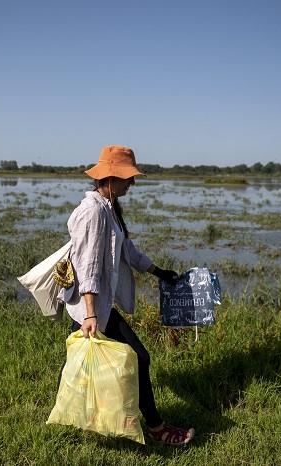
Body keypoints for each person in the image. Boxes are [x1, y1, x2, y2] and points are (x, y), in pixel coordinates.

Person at [60, 145, 196, 446]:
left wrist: (158, 271)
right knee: (139, 358)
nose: (131, 183)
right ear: (109, 177)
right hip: (91, 305)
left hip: (95, 304)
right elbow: (88, 266)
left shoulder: (108, 207)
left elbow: (127, 250)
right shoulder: (93, 212)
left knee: (79, 363)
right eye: (127, 177)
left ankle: (81, 417)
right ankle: (157, 428)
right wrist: (92, 313)